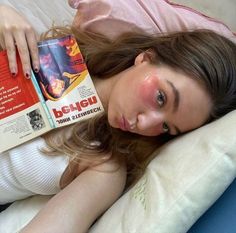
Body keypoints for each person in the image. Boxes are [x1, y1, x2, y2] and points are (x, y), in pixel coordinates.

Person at [0, 4, 236, 233]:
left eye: (166, 127)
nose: (145, 124)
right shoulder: (54, 57)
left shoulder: (104, 168)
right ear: (145, 58)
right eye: (161, 98)